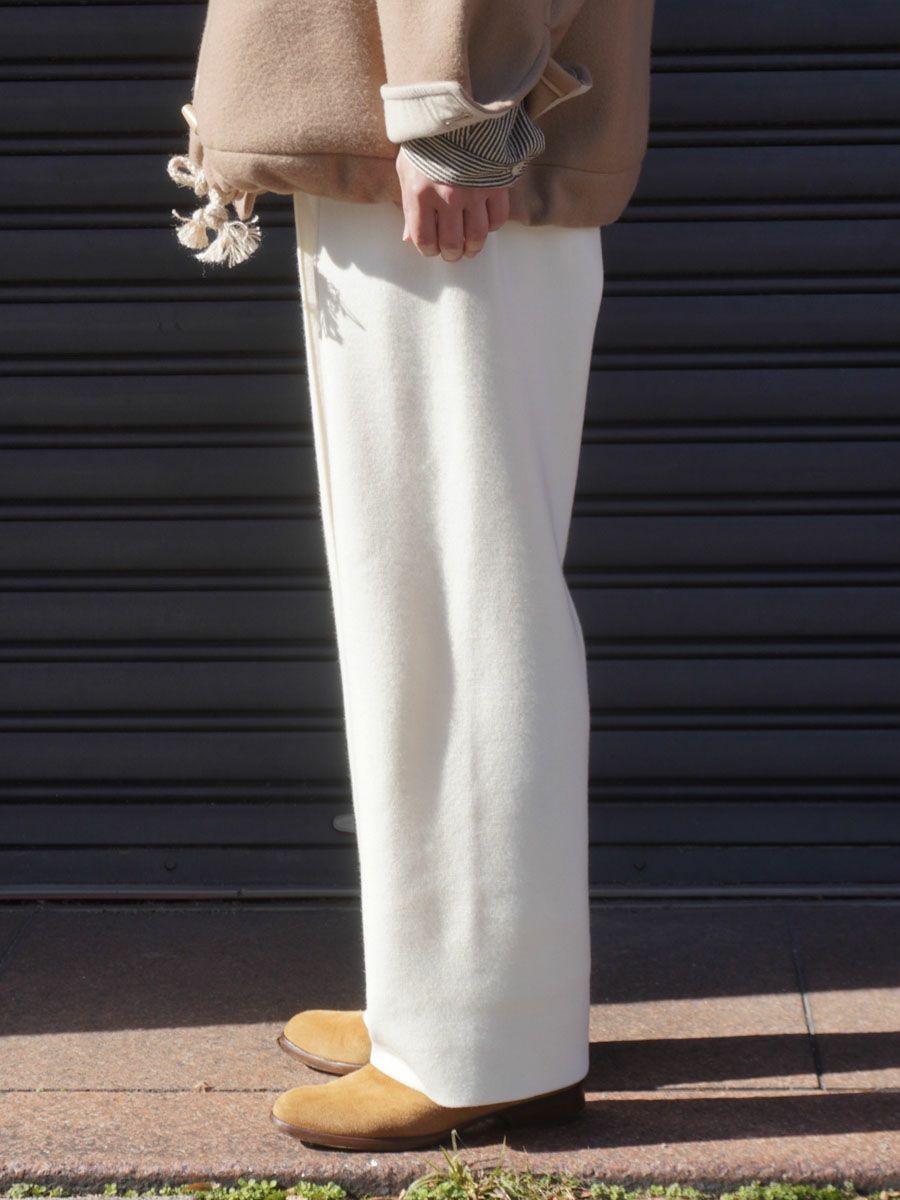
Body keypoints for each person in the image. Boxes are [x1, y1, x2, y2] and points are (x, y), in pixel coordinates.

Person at [169, 0, 655, 1153]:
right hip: (407, 140)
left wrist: (453, 116)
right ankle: (447, 1001)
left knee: (460, 604)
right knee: (425, 598)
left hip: (440, 150)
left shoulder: (451, 133)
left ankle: (479, 1042)